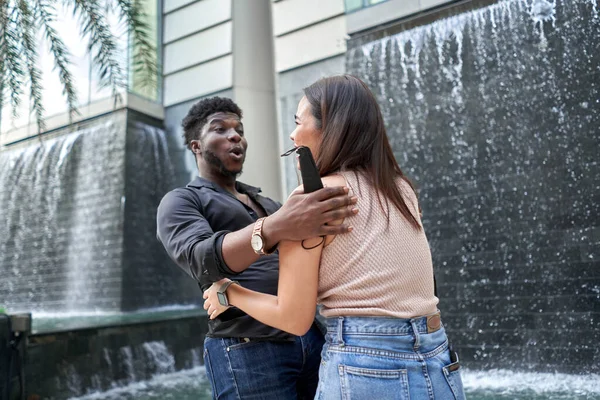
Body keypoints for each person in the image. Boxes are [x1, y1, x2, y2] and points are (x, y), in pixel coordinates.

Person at [203, 76, 466, 399]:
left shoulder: (313, 201)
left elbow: (294, 318)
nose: (293, 134)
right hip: (437, 355)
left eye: (299, 122)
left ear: (331, 129)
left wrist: (229, 293)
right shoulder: (400, 188)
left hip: (364, 363)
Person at [156, 96, 359, 399]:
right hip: (247, 346)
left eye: (238, 128)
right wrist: (276, 226)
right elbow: (200, 259)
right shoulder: (182, 200)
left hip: (310, 337)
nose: (235, 135)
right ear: (196, 145)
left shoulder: (269, 203)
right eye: (220, 129)